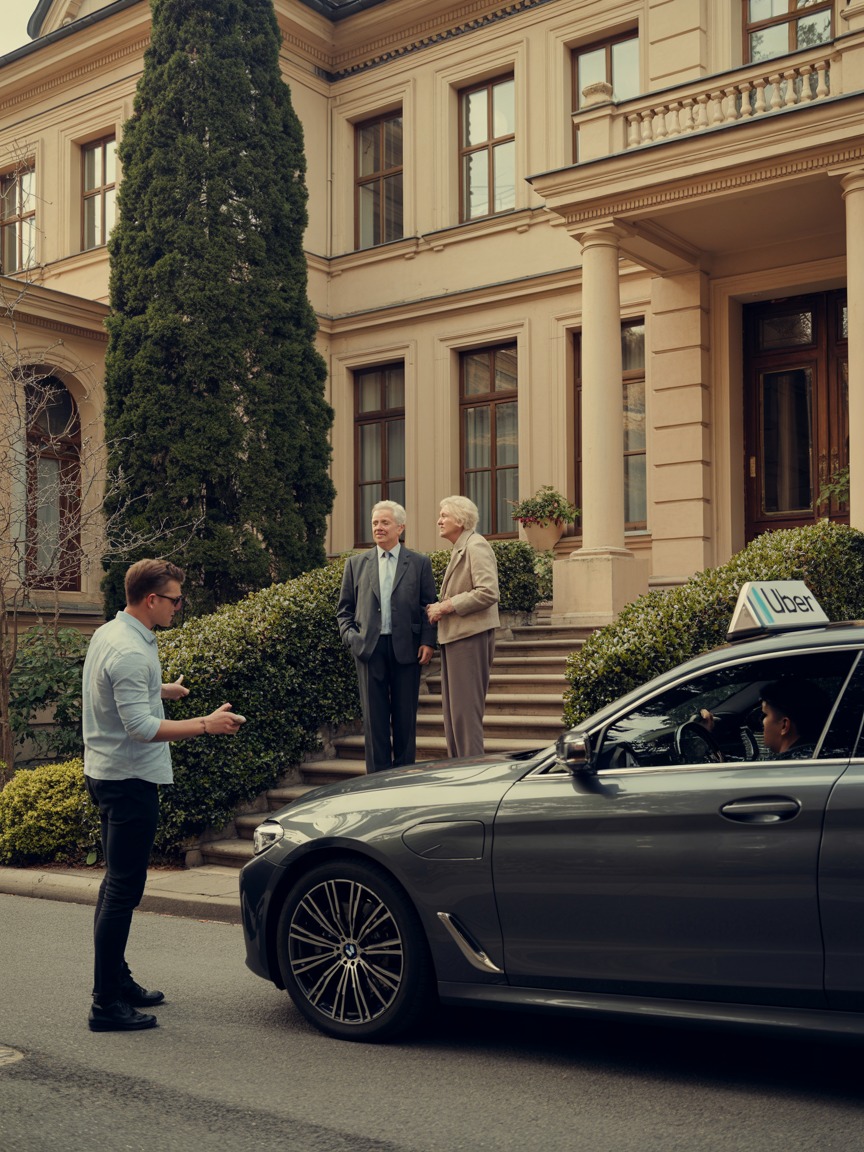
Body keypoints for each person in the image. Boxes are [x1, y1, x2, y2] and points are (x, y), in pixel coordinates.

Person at [83, 559, 246, 1032]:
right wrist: (205, 725)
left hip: (107, 773)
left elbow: (117, 692)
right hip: (129, 780)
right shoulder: (130, 651)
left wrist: (160, 689)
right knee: (122, 891)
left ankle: (116, 979)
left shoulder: (113, 633)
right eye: (175, 598)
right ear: (151, 599)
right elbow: (138, 727)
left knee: (115, 884)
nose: (180, 605)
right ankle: (105, 1004)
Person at [337, 501, 437, 773]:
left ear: (400, 527)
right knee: (374, 721)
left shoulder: (419, 563)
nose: (378, 528)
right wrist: (352, 639)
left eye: (384, 523)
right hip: (369, 649)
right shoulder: (356, 564)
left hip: (407, 649)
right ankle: (377, 781)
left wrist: (428, 641)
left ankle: (403, 777)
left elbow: (428, 605)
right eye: (375, 523)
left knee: (405, 719)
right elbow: (344, 611)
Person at [426, 496, 499, 758]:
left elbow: (488, 592)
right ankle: (460, 768)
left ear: (460, 519)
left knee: (465, 714)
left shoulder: (475, 546)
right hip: (456, 638)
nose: (439, 521)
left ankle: (472, 773)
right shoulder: (462, 546)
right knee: (455, 714)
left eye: (444, 515)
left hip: (470, 638)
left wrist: (445, 606)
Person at [759, 678, 830, 760]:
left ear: (784, 725)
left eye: (765, 715)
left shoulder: (782, 768)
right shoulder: (825, 756)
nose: (761, 721)